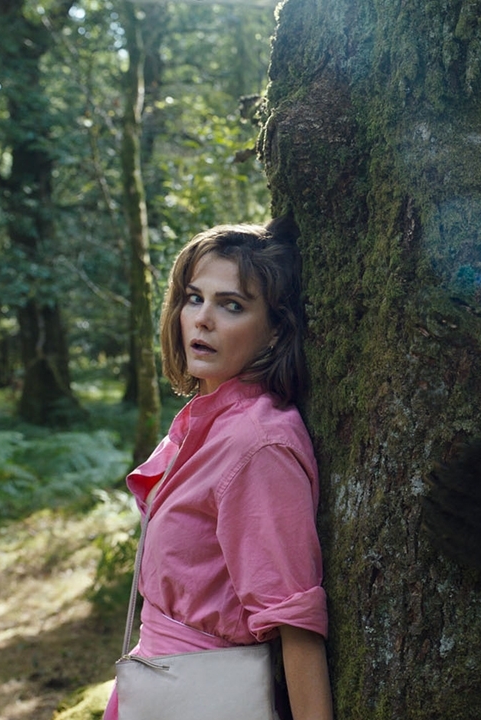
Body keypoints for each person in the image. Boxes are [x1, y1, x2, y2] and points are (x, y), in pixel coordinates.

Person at [104, 218, 333, 720]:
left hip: (205, 696)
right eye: (193, 298)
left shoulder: (257, 444)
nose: (202, 319)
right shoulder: (206, 421)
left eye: (232, 305)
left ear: (276, 329)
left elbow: (296, 621)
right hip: (157, 686)